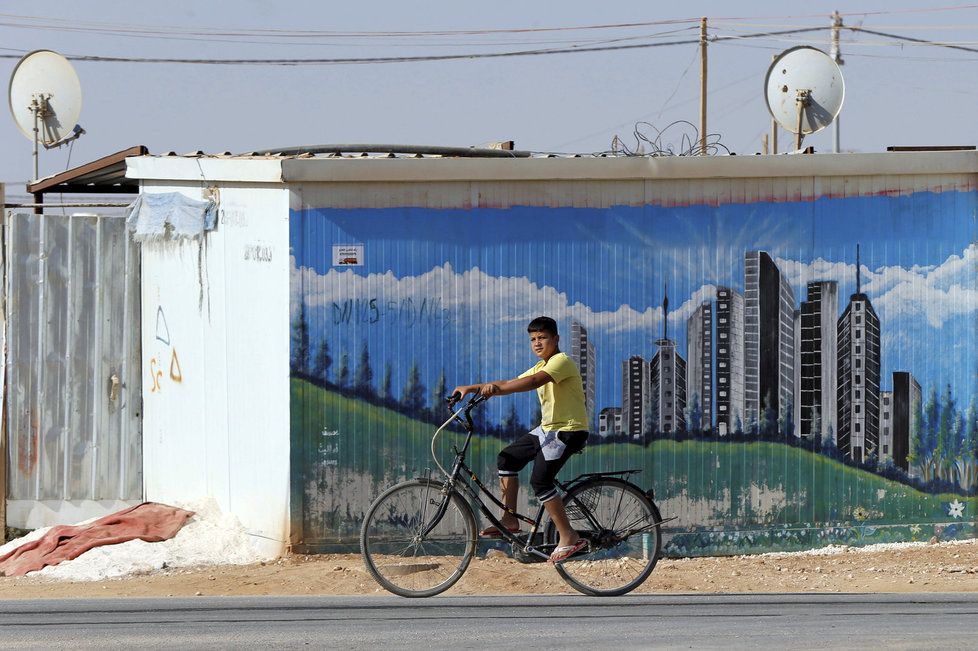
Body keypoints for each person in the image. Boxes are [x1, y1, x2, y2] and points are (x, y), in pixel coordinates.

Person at [451, 316, 590, 563]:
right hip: (548, 429)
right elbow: (508, 382)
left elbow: (533, 382)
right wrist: (471, 388)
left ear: (556, 339)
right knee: (507, 459)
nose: (537, 343)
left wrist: (498, 390)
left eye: (542, 338)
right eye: (533, 339)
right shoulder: (540, 365)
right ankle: (510, 518)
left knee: (541, 481)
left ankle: (568, 536)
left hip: (568, 431)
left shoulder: (561, 361)